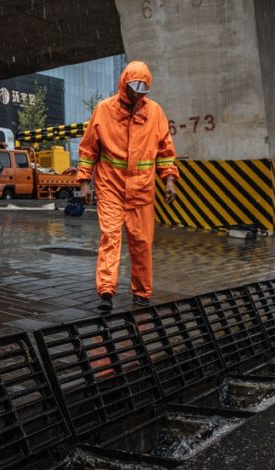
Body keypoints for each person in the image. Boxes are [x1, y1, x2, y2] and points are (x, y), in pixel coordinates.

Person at [77, 60, 178, 313]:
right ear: (124, 84)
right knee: (110, 238)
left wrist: (169, 180)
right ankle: (106, 292)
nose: (137, 94)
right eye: (134, 88)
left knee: (141, 243)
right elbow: (89, 149)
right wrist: (84, 182)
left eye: (143, 90)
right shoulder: (104, 110)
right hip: (110, 188)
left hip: (142, 193)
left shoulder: (155, 113)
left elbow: (166, 151)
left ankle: (142, 293)